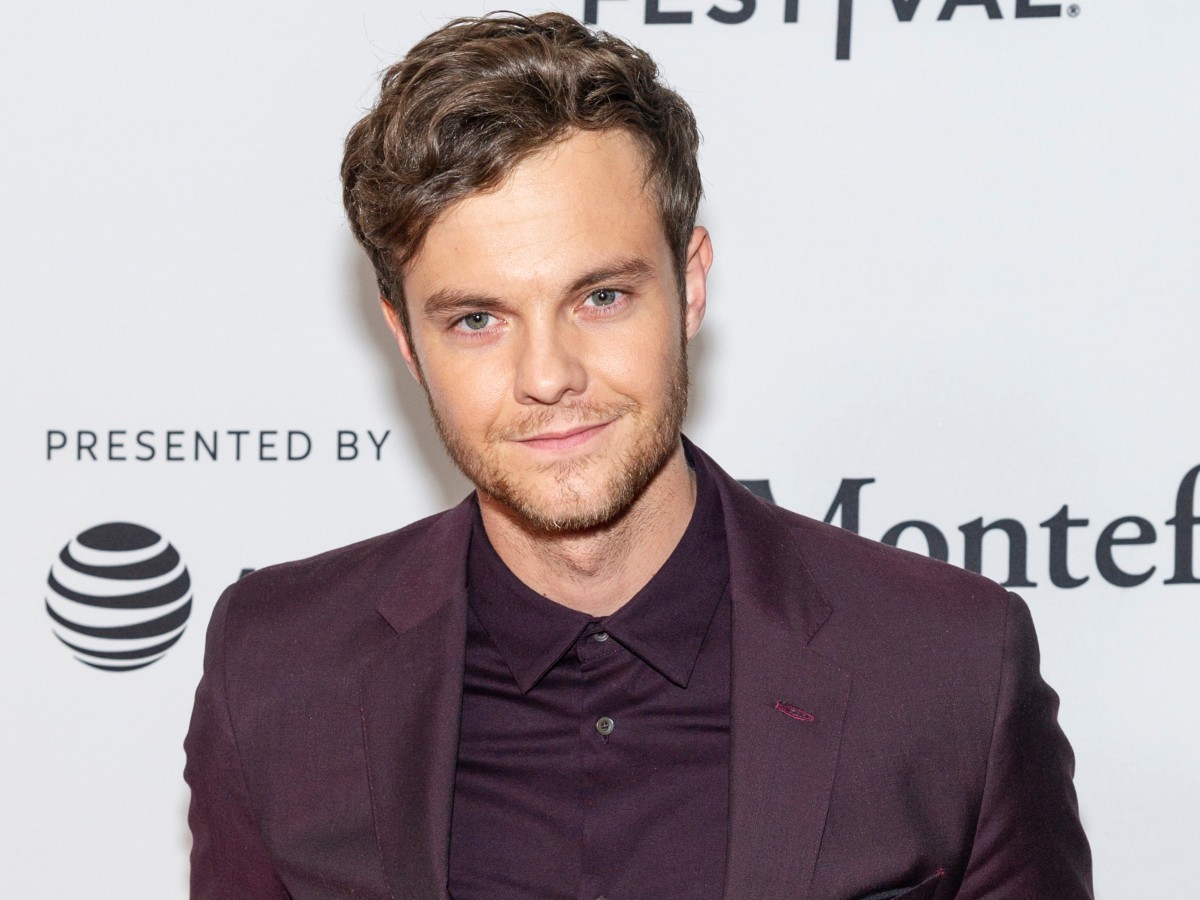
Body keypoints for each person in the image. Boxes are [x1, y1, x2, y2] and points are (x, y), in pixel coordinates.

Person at [184, 12, 1092, 899]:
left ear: (690, 284)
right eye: (476, 319)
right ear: (406, 340)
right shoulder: (276, 672)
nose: (548, 376)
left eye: (602, 298)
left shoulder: (949, 665)